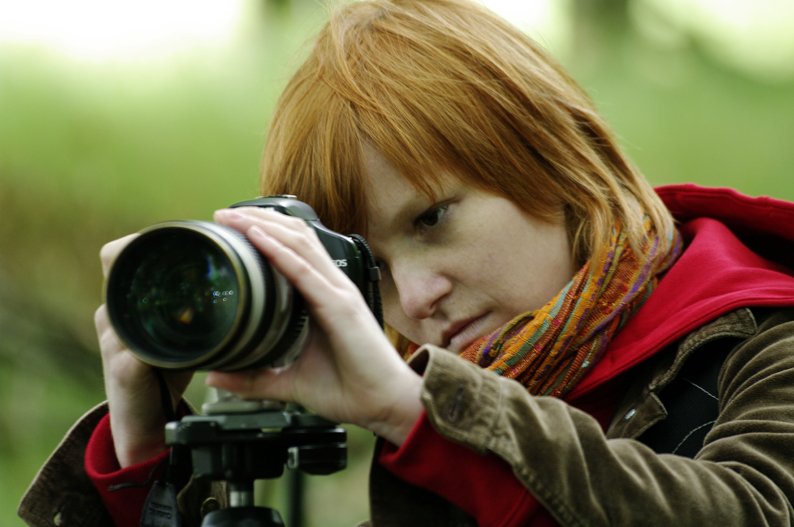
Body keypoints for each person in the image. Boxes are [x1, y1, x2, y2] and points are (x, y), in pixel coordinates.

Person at [19, 0, 794, 526]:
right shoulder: (430, 433)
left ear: (555, 158)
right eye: (373, 271)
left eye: (431, 218)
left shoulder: (763, 344)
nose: (417, 298)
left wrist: (423, 412)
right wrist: (144, 461)